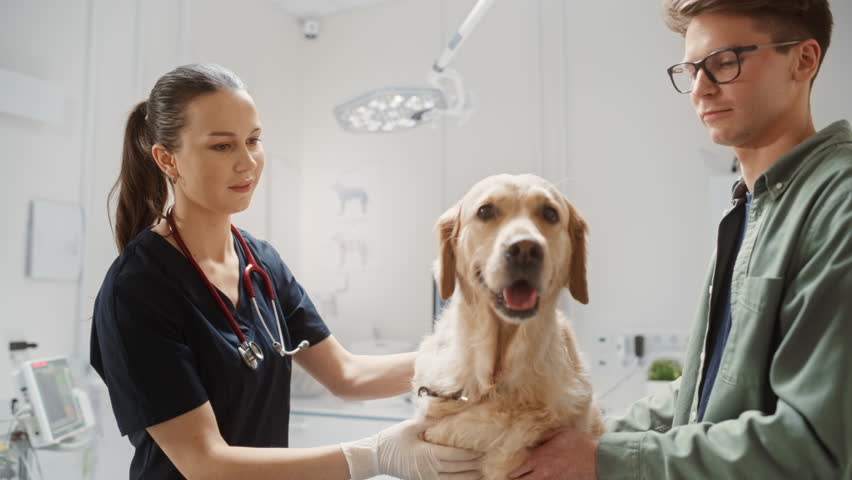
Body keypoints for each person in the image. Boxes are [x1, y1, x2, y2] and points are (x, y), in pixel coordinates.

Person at [509, 0, 851, 478]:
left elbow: (816, 443)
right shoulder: (752, 206)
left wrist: (601, 458)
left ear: (804, 60)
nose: (700, 89)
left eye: (725, 62)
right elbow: (703, 391)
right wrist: (586, 435)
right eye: (691, 69)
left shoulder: (840, 204)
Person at [90, 63, 482, 480]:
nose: (248, 163)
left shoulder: (261, 264)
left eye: (253, 141)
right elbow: (205, 463)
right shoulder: (136, 289)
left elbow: (347, 375)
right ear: (168, 159)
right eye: (222, 147)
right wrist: (374, 456)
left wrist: (465, 360)